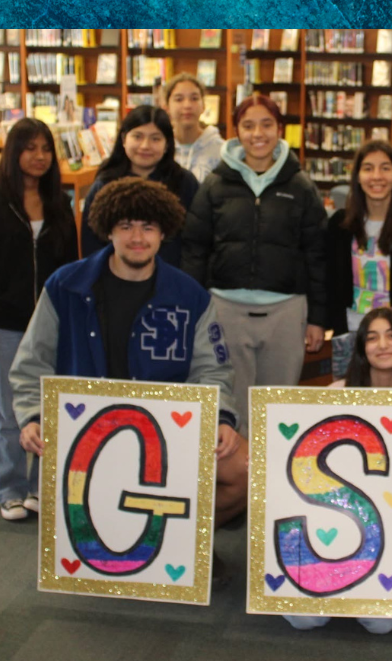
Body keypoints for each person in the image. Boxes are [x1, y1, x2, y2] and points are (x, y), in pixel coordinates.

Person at [10, 177, 248, 531]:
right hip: (88, 431)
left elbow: (212, 370)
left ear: (163, 233)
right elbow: (31, 362)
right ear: (108, 231)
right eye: (125, 227)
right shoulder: (66, 286)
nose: (137, 238)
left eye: (148, 227)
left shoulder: (190, 296)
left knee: (248, 469)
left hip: (168, 432)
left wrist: (222, 418)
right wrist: (32, 415)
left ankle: (181, 543)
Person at [181, 94, 327, 438]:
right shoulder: (215, 184)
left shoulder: (301, 186)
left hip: (286, 312)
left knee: (278, 406)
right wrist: (192, 311)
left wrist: (318, 318)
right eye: (248, 125)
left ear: (280, 130)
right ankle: (236, 486)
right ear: (237, 132)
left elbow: (317, 254)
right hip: (225, 309)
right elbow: (194, 250)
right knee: (230, 405)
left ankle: (271, 483)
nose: (257, 133)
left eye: (266, 124)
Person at [285, 307, 392, 635]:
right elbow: (299, 457)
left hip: (390, 534)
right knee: (302, 619)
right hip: (329, 519)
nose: (383, 345)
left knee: (380, 625)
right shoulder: (336, 394)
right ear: (361, 348)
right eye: (372, 338)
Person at [0, 119, 78, 520]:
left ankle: (40, 486)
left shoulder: (59, 202)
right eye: (29, 148)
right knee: (9, 410)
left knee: (50, 407)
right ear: (13, 153)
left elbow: (72, 264)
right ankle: (10, 487)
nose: (39, 156)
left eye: (46, 148)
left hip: (51, 322)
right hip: (7, 322)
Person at [326, 141, 392, 380]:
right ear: (358, 176)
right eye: (368, 168)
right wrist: (338, 329)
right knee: (349, 404)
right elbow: (330, 281)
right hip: (352, 330)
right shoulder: (340, 224)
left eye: (384, 168)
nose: (377, 176)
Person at [80, 105, 199, 266]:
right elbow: (92, 244)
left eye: (155, 138)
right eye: (137, 136)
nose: (145, 146)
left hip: (172, 279)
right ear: (123, 139)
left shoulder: (184, 182)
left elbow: (196, 239)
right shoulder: (106, 183)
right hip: (116, 279)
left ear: (167, 145)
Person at [164, 72, 224, 183]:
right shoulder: (161, 148)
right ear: (167, 107)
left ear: (204, 106)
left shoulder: (221, 151)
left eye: (194, 98)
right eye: (179, 99)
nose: (187, 105)